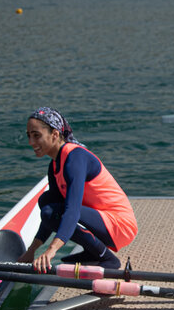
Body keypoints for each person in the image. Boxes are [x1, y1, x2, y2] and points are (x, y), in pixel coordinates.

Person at [18, 107, 137, 272]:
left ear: (55, 134)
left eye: (36, 135)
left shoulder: (75, 158)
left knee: (52, 210)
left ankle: (108, 259)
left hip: (120, 226)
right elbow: (50, 216)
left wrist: (51, 250)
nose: (31, 142)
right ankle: (93, 253)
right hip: (102, 221)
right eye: (29, 136)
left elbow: (71, 210)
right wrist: (31, 252)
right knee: (46, 201)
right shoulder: (54, 165)